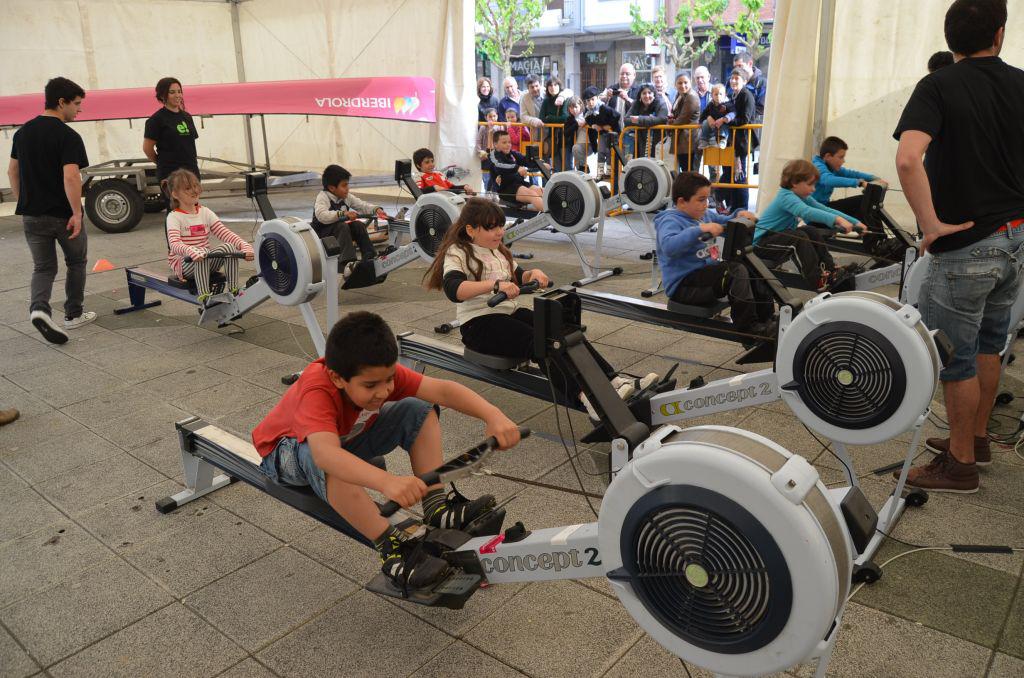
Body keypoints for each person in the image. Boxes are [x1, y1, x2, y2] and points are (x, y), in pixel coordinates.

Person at [251, 310, 521, 590]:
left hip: (342, 442)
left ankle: (436, 506)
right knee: (325, 457)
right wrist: (386, 481)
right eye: (371, 385)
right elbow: (325, 455)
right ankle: (391, 547)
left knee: (418, 409)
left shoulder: (377, 372)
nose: (383, 391)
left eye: (389, 379)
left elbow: (443, 391)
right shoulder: (317, 388)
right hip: (285, 455)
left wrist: (493, 415)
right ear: (337, 378)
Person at [893, 0, 1024, 492]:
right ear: (1000, 33)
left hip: (969, 242)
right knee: (991, 344)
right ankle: (977, 438)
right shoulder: (1021, 82)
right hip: (1015, 235)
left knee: (956, 358)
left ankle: (960, 463)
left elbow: (908, 159)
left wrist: (930, 225)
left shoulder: (938, 84)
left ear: (950, 37)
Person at [422, 197, 656, 419]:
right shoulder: (458, 251)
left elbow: (519, 275)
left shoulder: (496, 249)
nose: (499, 232)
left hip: (507, 313)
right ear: (471, 230)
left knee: (564, 331)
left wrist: (533, 273)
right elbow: (454, 289)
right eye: (491, 227)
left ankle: (613, 381)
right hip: (478, 324)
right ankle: (587, 397)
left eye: (501, 226)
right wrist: (494, 285)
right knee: (542, 344)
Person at [7, 76, 94, 344]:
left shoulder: (23, 133)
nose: (79, 109)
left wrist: (25, 202)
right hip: (62, 215)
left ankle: (39, 309)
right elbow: (71, 177)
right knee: (76, 262)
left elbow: (12, 171)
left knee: (43, 267)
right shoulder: (68, 136)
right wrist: (77, 213)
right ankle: (73, 314)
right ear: (61, 102)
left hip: (32, 216)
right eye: (76, 104)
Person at [655, 173, 774, 338]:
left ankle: (767, 319)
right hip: (684, 287)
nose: (706, 205)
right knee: (735, 271)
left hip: (704, 278)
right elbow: (669, 246)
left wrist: (739, 214)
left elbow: (725, 220)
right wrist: (699, 230)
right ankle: (748, 329)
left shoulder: (704, 215)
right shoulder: (670, 221)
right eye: (701, 200)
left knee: (749, 263)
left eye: (707, 199)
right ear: (682, 202)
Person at [753, 159, 866, 291]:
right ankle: (817, 280)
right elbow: (806, 212)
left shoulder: (800, 196)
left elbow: (824, 209)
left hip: (774, 239)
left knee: (809, 230)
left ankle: (831, 270)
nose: (813, 189)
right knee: (798, 237)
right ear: (795, 183)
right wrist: (838, 220)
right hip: (760, 245)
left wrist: (855, 222)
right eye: (810, 184)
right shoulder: (785, 196)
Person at [164, 169, 254, 305]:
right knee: (203, 252)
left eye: (195, 186)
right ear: (175, 194)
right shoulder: (174, 216)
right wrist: (191, 251)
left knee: (229, 247)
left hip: (205, 258)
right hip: (185, 264)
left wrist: (244, 246)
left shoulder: (205, 212)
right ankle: (205, 297)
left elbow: (225, 233)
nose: (194, 191)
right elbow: (174, 245)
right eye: (187, 188)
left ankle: (234, 291)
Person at [311, 164, 389, 270]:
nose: (347, 189)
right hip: (321, 234)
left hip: (339, 234)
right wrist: (342, 214)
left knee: (358, 225)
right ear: (331, 188)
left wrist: (376, 209)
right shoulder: (323, 197)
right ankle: (347, 263)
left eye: (347, 185)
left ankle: (370, 257)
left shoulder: (346, 197)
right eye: (344, 185)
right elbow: (321, 215)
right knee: (342, 226)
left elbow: (362, 205)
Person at [811, 136, 886, 224]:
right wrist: (859, 183)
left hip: (824, 208)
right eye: (841, 157)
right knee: (862, 202)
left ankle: (870, 231)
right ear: (828, 156)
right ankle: (873, 232)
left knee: (865, 203)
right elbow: (828, 179)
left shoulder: (831, 167)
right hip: (815, 215)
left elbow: (852, 174)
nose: (843, 161)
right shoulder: (817, 167)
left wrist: (875, 179)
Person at [143, 77, 200, 185]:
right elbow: (147, 148)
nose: (177, 95)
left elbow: (189, 146)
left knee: (194, 197)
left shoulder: (187, 117)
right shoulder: (156, 120)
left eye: (179, 91)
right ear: (162, 95)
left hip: (191, 172)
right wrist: (163, 163)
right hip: (170, 174)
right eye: (172, 92)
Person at [716, 69, 756, 212]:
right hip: (732, 141)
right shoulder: (734, 95)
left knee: (739, 176)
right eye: (732, 78)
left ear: (744, 81)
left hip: (741, 142)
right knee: (731, 174)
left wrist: (726, 121)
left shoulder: (746, 95)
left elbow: (745, 119)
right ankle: (732, 206)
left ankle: (741, 208)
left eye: (737, 78)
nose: (733, 81)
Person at [488, 130, 544, 210]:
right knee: (533, 195)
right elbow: (499, 166)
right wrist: (517, 168)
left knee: (544, 192)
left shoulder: (512, 153)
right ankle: (552, 215)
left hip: (519, 184)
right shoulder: (493, 156)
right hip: (506, 189)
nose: (508, 145)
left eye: (509, 142)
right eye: (504, 142)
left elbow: (525, 160)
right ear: (495, 144)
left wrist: (541, 164)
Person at [603, 63, 642, 157]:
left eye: (627, 74)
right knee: (613, 162)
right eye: (622, 73)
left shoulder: (639, 90)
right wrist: (606, 97)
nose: (624, 76)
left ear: (634, 75)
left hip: (632, 135)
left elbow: (641, 108)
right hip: (613, 133)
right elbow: (599, 104)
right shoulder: (611, 88)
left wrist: (627, 99)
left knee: (628, 162)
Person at [582, 85, 621, 178]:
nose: (590, 102)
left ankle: (609, 173)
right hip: (603, 134)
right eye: (588, 100)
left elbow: (617, 115)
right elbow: (588, 119)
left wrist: (609, 125)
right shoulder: (587, 111)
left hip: (613, 133)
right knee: (601, 151)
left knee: (610, 152)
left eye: (592, 99)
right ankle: (600, 173)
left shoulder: (604, 108)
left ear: (597, 98)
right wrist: (593, 125)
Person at [698, 84, 732, 182]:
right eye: (716, 94)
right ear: (712, 95)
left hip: (723, 130)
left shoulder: (728, 104)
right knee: (705, 122)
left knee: (721, 165)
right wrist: (708, 117)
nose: (718, 96)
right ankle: (703, 140)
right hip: (712, 132)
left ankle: (723, 140)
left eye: (721, 94)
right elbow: (702, 117)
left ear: (725, 95)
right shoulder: (710, 105)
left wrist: (726, 118)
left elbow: (733, 112)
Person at [668, 73, 701, 174]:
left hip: (690, 141)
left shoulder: (691, 97)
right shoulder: (680, 95)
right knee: (685, 171)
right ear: (675, 84)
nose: (683, 85)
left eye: (685, 82)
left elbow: (682, 119)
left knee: (690, 173)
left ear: (690, 83)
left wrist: (668, 127)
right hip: (683, 141)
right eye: (680, 83)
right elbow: (677, 115)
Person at [626, 83, 669, 158]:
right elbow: (626, 119)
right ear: (640, 95)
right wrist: (650, 120)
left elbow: (662, 119)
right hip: (640, 140)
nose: (647, 96)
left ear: (654, 94)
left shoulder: (661, 103)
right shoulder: (636, 103)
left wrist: (639, 119)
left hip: (657, 141)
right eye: (644, 93)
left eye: (649, 93)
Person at [540, 77, 570, 171]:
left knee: (567, 166)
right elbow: (542, 118)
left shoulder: (564, 99)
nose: (553, 87)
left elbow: (565, 118)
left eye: (555, 85)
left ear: (559, 86)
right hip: (553, 138)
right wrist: (555, 119)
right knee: (556, 167)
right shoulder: (546, 101)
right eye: (550, 85)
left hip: (565, 137)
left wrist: (550, 117)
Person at [733, 52, 767, 120]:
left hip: (753, 124)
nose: (737, 69)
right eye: (735, 67)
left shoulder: (762, 83)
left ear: (750, 64)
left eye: (740, 66)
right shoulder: (731, 81)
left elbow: (761, 108)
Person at [564, 97, 589, 172]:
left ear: (580, 105)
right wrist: (576, 124)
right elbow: (566, 132)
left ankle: (584, 168)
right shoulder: (569, 118)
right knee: (570, 163)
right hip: (573, 144)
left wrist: (586, 122)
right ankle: (581, 170)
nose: (574, 110)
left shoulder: (587, 114)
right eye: (571, 108)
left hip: (587, 143)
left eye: (575, 107)